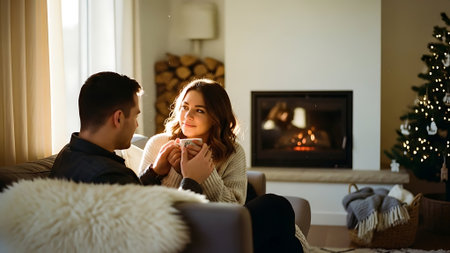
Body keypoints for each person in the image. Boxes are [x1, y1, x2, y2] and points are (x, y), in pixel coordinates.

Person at [138, 79, 306, 253]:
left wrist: (208, 175)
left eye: (199, 110)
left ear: (215, 118)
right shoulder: (158, 144)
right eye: (185, 107)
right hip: (180, 232)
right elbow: (138, 200)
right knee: (276, 206)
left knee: (278, 225)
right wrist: (162, 171)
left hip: (219, 229)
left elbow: (234, 211)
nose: (188, 116)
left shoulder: (232, 152)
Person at [50, 71, 210, 194]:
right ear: (118, 118)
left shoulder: (67, 154)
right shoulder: (111, 177)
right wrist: (191, 181)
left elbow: (133, 196)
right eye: (135, 116)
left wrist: (154, 172)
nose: (136, 124)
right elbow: (162, 228)